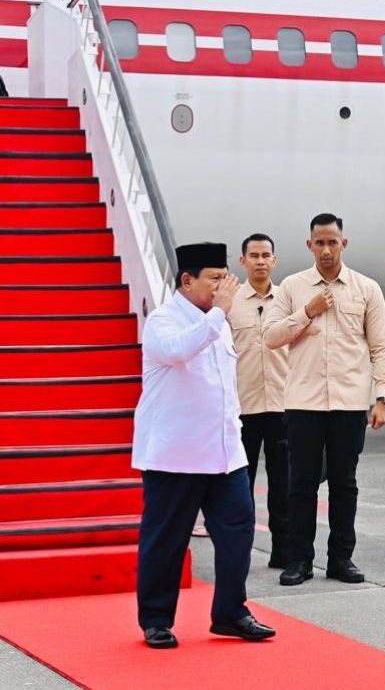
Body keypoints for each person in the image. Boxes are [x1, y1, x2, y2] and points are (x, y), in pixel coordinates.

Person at [133, 242, 276, 649]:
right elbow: (180, 351)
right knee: (167, 539)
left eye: (224, 278)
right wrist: (219, 313)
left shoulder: (217, 321)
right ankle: (156, 619)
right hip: (176, 454)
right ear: (187, 280)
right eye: (214, 279)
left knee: (238, 531)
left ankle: (230, 611)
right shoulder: (163, 321)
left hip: (224, 452)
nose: (223, 287)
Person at [264, 214, 385, 587]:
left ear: (344, 243)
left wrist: (382, 396)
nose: (325, 249)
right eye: (319, 243)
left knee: (344, 484)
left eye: (332, 242)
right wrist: (307, 312)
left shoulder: (366, 289)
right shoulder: (292, 287)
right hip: (303, 403)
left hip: (349, 403)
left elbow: (382, 345)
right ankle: (299, 561)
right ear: (309, 245)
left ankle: (341, 559)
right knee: (301, 485)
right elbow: (271, 336)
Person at [230, 233, 290, 567]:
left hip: (282, 406)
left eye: (266, 255)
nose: (261, 261)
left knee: (284, 486)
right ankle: (240, 553)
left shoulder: (288, 300)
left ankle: (284, 553)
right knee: (241, 487)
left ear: (275, 260)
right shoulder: (231, 303)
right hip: (244, 408)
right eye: (254, 255)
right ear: (243, 261)